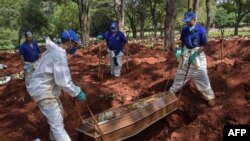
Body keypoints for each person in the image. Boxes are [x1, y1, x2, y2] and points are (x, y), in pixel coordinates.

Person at [27, 30, 86, 141]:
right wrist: (77, 92)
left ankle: (53, 139)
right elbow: (64, 81)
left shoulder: (53, 51)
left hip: (45, 88)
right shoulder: (58, 55)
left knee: (59, 115)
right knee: (56, 123)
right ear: (69, 43)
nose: (74, 47)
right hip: (44, 91)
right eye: (74, 44)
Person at [169, 12, 215, 107]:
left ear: (194, 20)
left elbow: (204, 45)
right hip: (186, 54)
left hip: (197, 54)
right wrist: (179, 50)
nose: (187, 23)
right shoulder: (185, 29)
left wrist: (195, 54)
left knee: (202, 76)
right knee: (180, 74)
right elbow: (182, 42)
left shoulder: (201, 30)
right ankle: (171, 93)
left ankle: (209, 97)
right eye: (186, 21)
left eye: (189, 21)